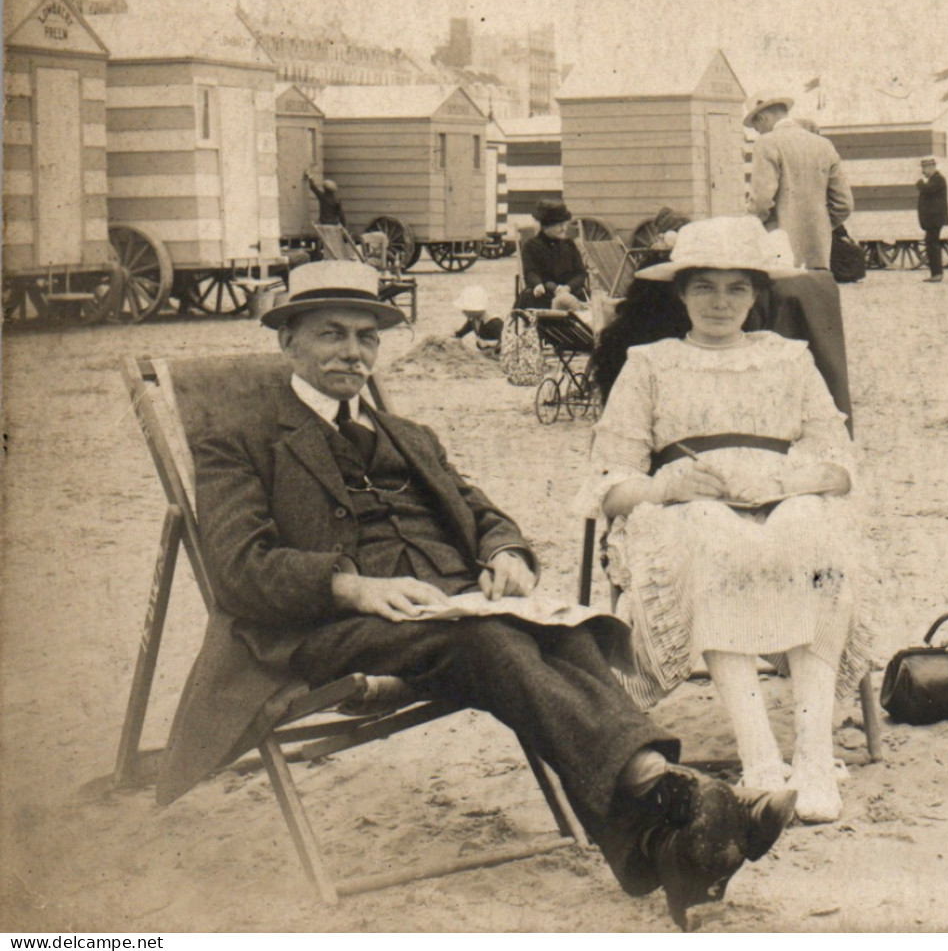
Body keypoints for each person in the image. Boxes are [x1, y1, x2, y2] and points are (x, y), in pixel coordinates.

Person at [180, 260, 794, 928]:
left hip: (447, 606)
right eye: (332, 335)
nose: (352, 354)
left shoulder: (407, 436)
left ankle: (666, 844)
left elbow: (483, 512)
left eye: (366, 338)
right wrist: (351, 586)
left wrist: (504, 553)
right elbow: (240, 568)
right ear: (287, 342)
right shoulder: (239, 440)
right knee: (490, 640)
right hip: (326, 625)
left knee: (562, 630)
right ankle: (674, 791)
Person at [582, 216, 874, 826]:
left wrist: (792, 479)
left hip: (781, 503)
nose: (720, 302)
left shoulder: (789, 359)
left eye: (736, 288)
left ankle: (815, 755)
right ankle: (760, 756)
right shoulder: (650, 363)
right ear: (681, 294)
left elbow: (839, 463)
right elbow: (607, 482)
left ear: (757, 295)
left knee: (812, 535)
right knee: (713, 537)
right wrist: (665, 485)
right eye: (704, 288)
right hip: (686, 514)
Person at [744, 94, 853, 271]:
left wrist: (749, 227)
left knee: (780, 296)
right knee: (814, 296)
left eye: (756, 126)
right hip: (819, 250)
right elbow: (845, 204)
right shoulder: (824, 145)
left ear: (763, 118)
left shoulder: (766, 143)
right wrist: (820, 225)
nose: (758, 131)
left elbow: (761, 201)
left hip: (779, 249)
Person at [518, 201, 590, 310]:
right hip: (545, 295)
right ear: (545, 226)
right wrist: (538, 285)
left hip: (572, 293)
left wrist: (568, 287)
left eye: (565, 224)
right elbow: (530, 272)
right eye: (559, 225)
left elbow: (581, 273)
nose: (564, 228)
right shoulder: (531, 246)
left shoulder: (569, 245)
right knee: (530, 298)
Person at [917, 157, 948, 282]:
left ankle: (937, 274)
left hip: (934, 219)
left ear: (931, 168)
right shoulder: (935, 179)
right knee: (931, 244)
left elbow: (926, 189)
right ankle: (936, 273)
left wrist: (919, 182)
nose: (923, 172)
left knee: (932, 245)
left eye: (924, 169)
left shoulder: (938, 179)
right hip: (933, 219)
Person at [453, 284, 504, 354]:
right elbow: (461, 333)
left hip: (496, 355)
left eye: (466, 310)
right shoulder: (473, 321)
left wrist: (495, 351)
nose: (463, 312)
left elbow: (506, 341)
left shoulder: (494, 323)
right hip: (484, 353)